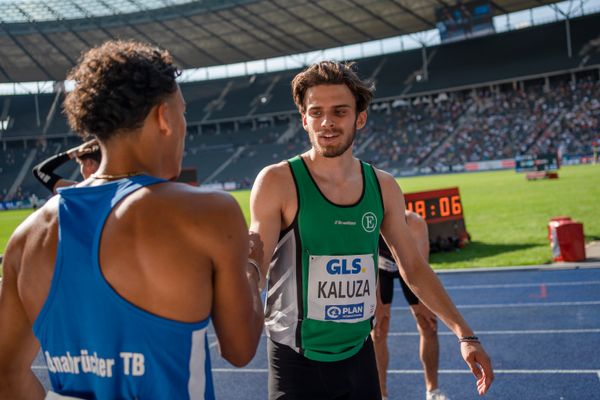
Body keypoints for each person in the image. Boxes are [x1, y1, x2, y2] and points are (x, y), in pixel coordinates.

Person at [0, 40, 264, 399]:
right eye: (182, 112)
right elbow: (240, 349)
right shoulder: (208, 213)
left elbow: (7, 375)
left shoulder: (26, 237)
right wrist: (252, 266)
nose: (184, 124)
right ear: (163, 117)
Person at [249, 61, 493, 400]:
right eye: (316, 112)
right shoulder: (277, 182)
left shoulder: (383, 187)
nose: (327, 123)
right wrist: (239, 284)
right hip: (295, 361)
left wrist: (465, 334)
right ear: (304, 120)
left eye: (340, 111)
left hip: (358, 356)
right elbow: (256, 265)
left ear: (359, 118)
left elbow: (414, 268)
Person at [372, 211, 449, 400]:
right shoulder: (370, 221)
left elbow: (420, 266)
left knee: (429, 324)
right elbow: (368, 262)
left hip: (409, 266)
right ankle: (381, 394)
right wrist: (378, 302)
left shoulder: (415, 223)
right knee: (379, 328)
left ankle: (433, 391)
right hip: (378, 268)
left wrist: (424, 301)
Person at [32, 139, 101, 194]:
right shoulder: (111, 187)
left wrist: (73, 153)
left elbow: (39, 170)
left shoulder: (80, 190)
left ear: (89, 163)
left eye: (81, 164)